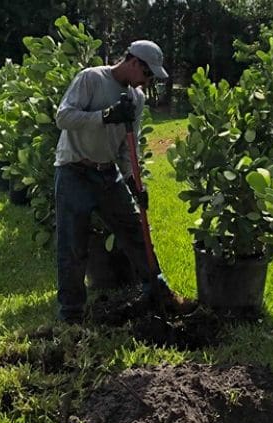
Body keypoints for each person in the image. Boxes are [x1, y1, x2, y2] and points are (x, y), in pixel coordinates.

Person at [53, 40, 195, 324]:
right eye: (147, 73)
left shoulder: (136, 98)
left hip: (108, 174)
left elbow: (127, 148)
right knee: (73, 245)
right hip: (74, 171)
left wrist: (133, 182)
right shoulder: (92, 78)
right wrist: (104, 116)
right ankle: (71, 314)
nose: (148, 80)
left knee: (134, 230)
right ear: (133, 63)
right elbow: (63, 118)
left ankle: (158, 290)